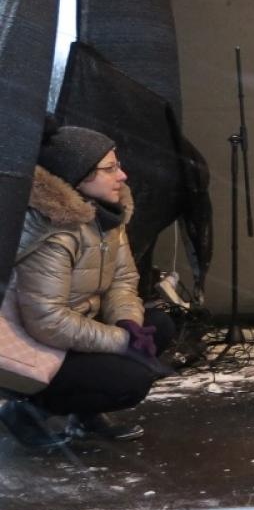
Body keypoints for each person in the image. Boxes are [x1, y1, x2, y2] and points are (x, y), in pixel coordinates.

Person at [1, 120, 171, 449]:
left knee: (159, 325)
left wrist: (128, 324)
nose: (122, 176)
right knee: (130, 381)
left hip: (76, 326)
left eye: (118, 164)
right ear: (79, 175)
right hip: (38, 343)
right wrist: (122, 341)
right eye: (110, 168)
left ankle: (85, 413)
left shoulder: (107, 214)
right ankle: (25, 410)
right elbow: (47, 322)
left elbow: (123, 280)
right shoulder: (54, 233)